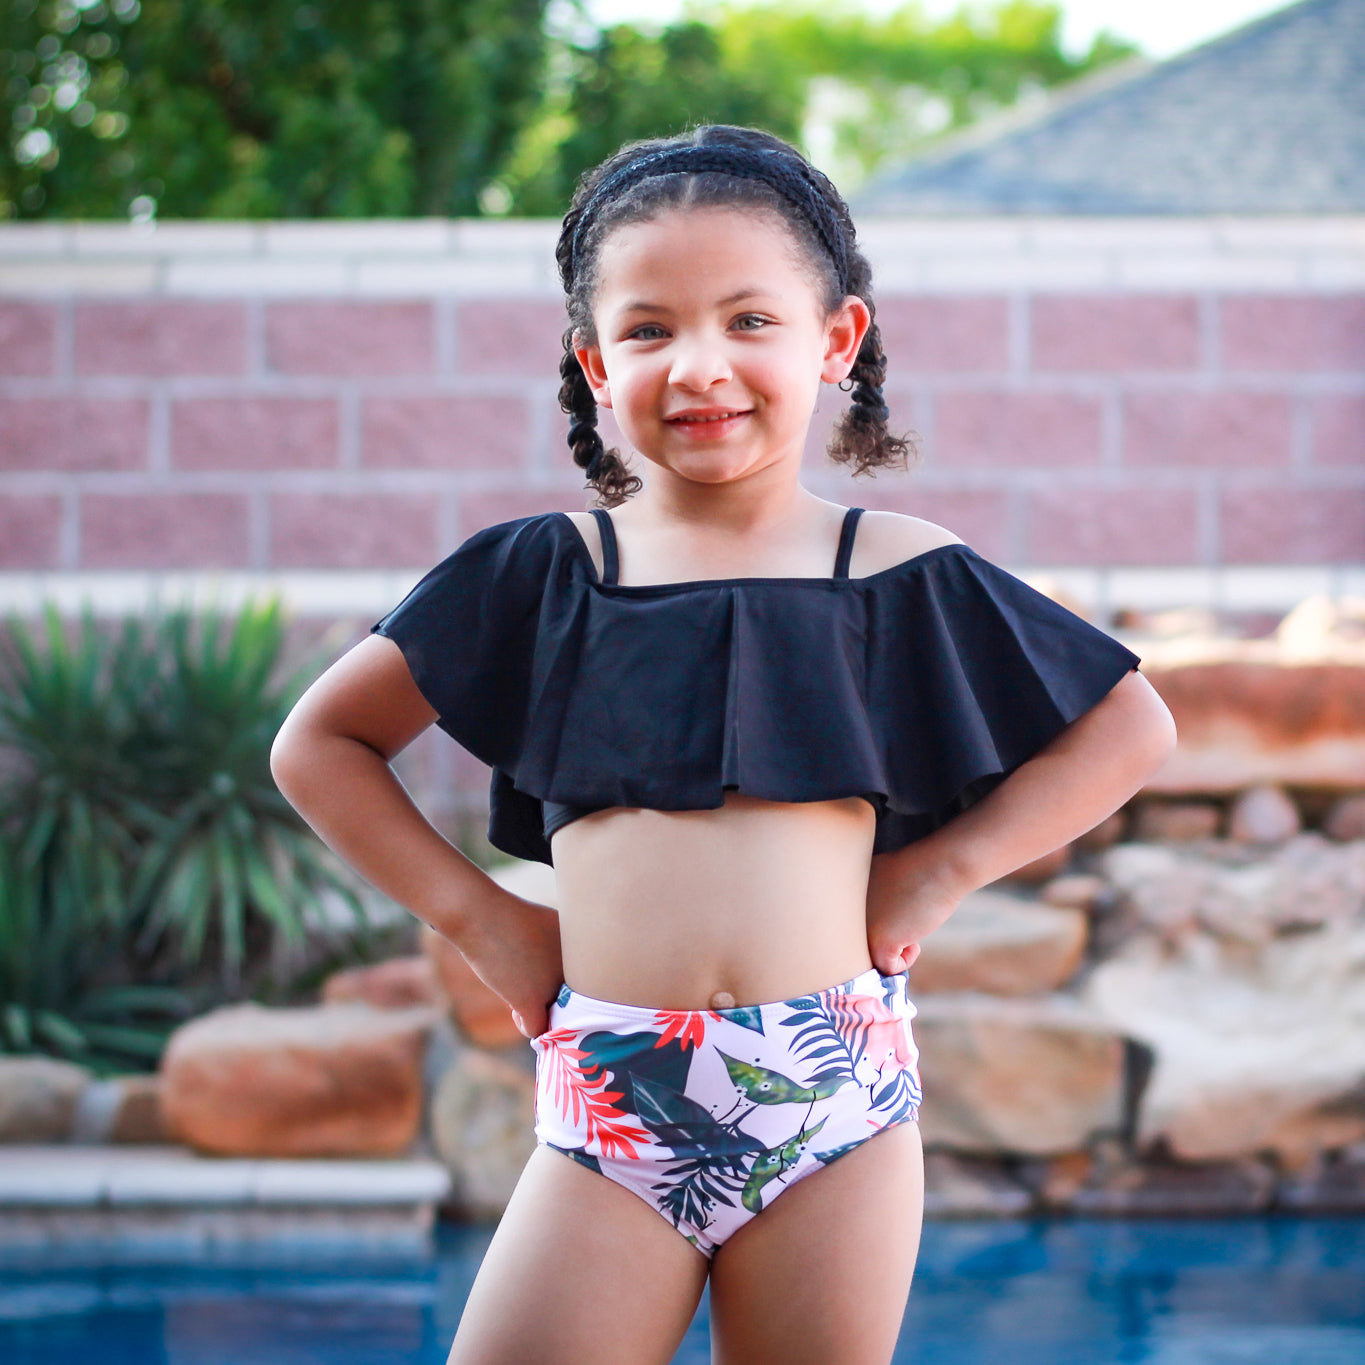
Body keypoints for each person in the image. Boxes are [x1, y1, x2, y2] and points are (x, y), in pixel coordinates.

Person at [271, 124, 1177, 1365]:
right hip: (614, 1102)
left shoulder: (893, 570)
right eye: (650, 330)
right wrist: (485, 921)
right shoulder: (544, 573)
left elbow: (1130, 725)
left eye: (750, 320)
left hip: (832, 1107)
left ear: (835, 342)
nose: (702, 365)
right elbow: (320, 744)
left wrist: (938, 872)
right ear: (596, 364)